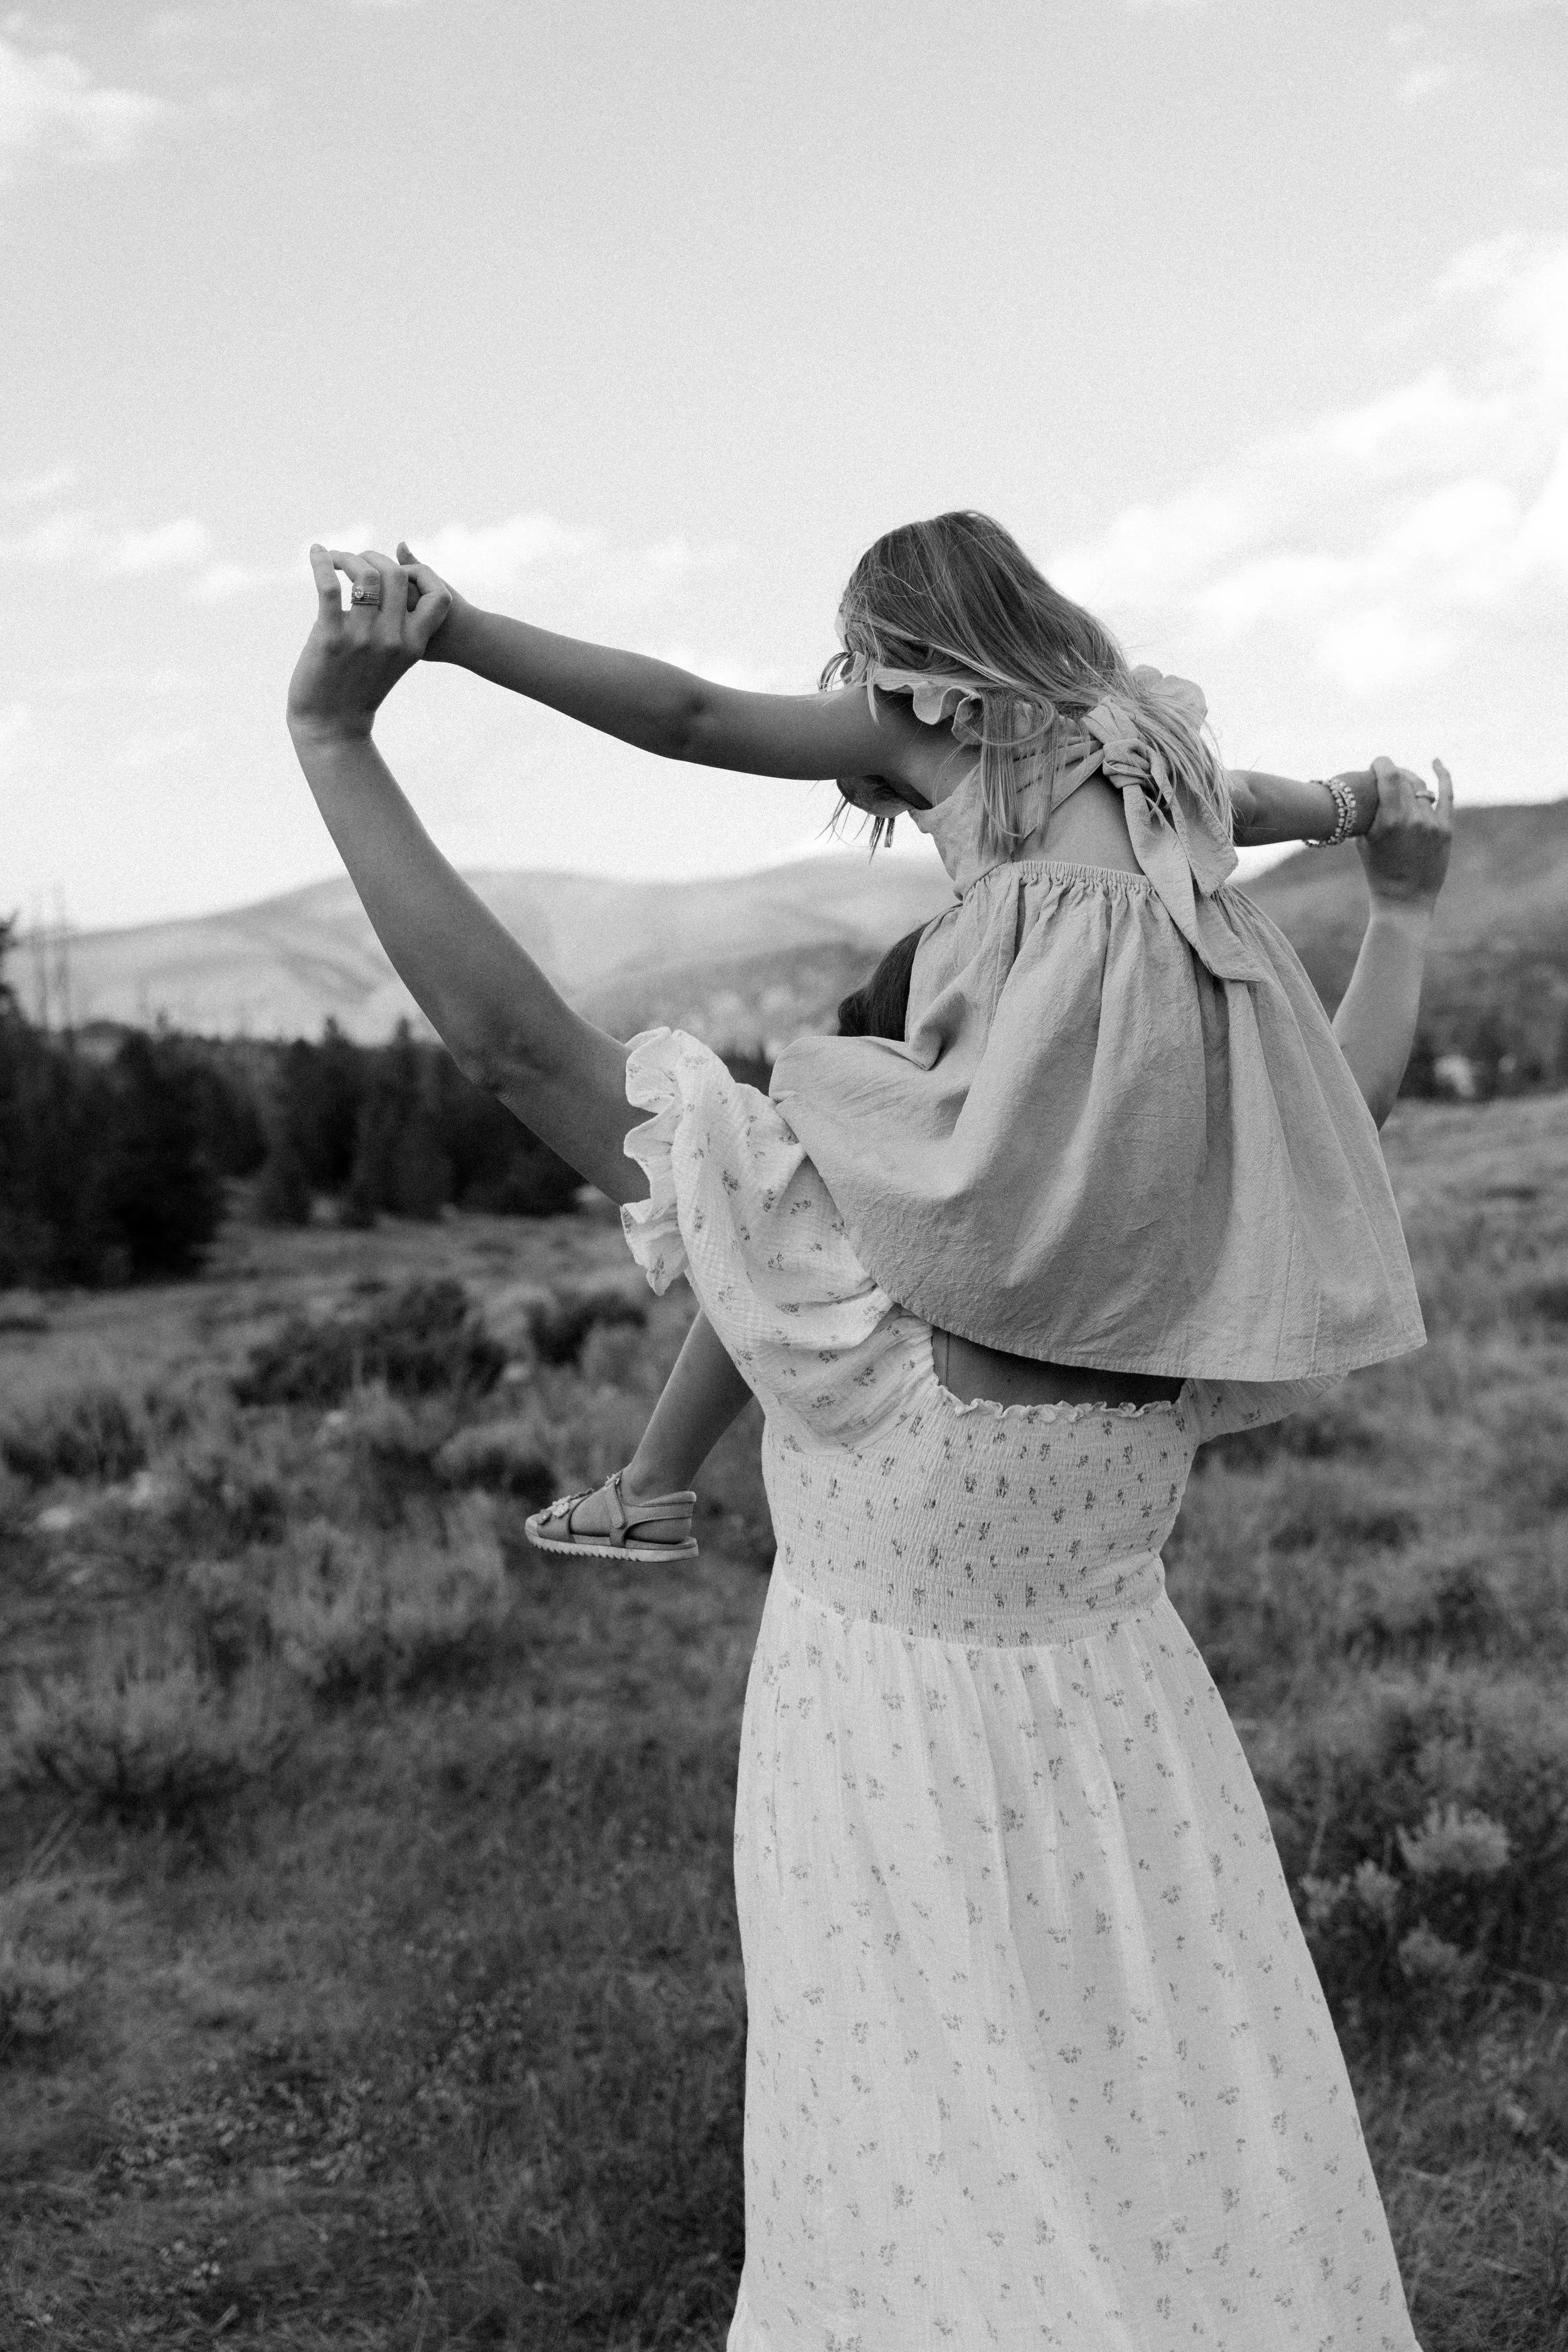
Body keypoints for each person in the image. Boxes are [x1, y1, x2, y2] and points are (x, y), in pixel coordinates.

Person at [287, 529, 1450, 2347]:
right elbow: (1344, 1091)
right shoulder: (1180, 1227)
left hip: (891, 1780)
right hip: (1133, 1758)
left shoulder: (832, 1272)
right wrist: (1400, 883)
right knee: (1156, 2158)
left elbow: (533, 1009)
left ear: (904, 666)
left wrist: (374, 707)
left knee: (936, 2189)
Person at [375, 510, 1428, 1562]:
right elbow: (1259, 800)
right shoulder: (1148, 736)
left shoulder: (934, 714)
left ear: (900, 642)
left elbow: (689, 716)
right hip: (1177, 1049)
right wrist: (1363, 802)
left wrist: (462, 634)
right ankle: (653, 1481)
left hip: (1030, 1051)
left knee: (802, 1162)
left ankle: (653, 1482)